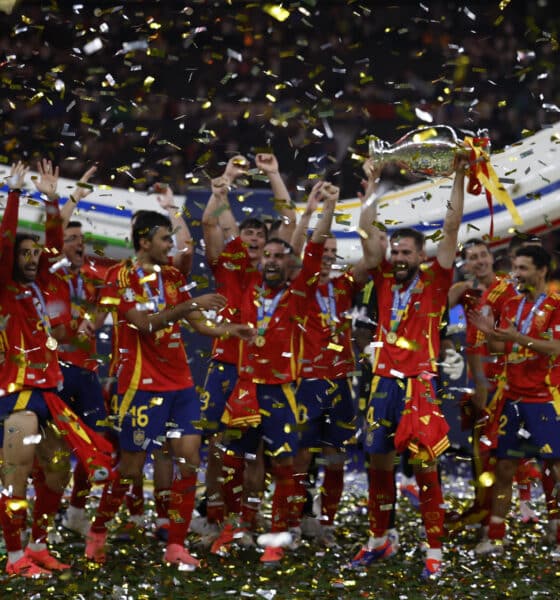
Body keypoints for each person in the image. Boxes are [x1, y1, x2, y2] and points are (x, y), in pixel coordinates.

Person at [84, 210, 255, 570]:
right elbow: (145, 324)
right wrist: (191, 304)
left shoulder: (175, 275)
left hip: (181, 385)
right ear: (144, 241)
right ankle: (97, 531)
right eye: (165, 238)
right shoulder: (121, 277)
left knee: (189, 461)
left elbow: (198, 324)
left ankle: (175, 545)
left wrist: (231, 330)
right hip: (140, 386)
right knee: (131, 467)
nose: (171, 245)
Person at [351, 154, 467, 580]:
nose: (398, 257)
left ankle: (434, 549)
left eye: (406, 252)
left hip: (420, 384)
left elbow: (452, 227)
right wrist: (372, 187)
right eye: (395, 251)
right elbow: (368, 236)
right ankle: (381, 539)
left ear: (422, 255)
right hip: (382, 383)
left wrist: (458, 175)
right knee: (377, 462)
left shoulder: (437, 278)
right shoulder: (382, 277)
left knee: (424, 467)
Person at [213, 180, 338, 564]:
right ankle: (239, 525)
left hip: (281, 390)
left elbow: (309, 245)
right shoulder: (248, 283)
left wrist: (321, 209)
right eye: (264, 254)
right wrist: (220, 196)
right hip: (245, 387)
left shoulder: (299, 292)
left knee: (284, 465)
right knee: (237, 461)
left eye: (277, 256)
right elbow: (225, 235)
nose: (268, 260)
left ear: (289, 264)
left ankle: (278, 535)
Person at [199, 153, 296, 538]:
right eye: (248, 238)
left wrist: (273, 173)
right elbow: (211, 221)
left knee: (256, 451)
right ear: (240, 245)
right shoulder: (229, 266)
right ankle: (213, 515)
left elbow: (289, 220)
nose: (254, 244)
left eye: (261, 239)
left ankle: (248, 520)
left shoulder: (275, 272)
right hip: (225, 365)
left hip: (263, 374)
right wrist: (225, 180)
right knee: (217, 444)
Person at [0, 161, 76, 576]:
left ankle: (39, 545)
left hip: (50, 395)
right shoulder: (5, 289)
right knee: (16, 476)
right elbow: (6, 242)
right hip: (17, 395)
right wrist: (13, 195)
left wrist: (51, 200)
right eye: (24, 255)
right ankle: (15, 558)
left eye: (35, 255)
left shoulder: (42, 286)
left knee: (57, 471)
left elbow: (53, 247)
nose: (31, 259)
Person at [286, 184, 370, 547]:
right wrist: (327, 206)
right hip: (307, 381)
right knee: (301, 457)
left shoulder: (344, 286)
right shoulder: (300, 284)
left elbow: (372, 258)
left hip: (339, 382)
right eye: (324, 250)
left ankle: (325, 523)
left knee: (336, 457)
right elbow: (298, 248)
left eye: (335, 252)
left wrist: (370, 199)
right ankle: (294, 521)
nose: (329, 257)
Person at [468, 245, 560, 556]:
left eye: (523, 269)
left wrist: (517, 339)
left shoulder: (557, 305)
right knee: (505, 466)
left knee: (554, 467)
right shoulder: (511, 304)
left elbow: (556, 348)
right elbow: (500, 348)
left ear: (542, 271)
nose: (516, 275)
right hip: (513, 398)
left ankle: (557, 530)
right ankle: (495, 536)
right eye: (515, 268)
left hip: (546, 398)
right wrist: (488, 333)